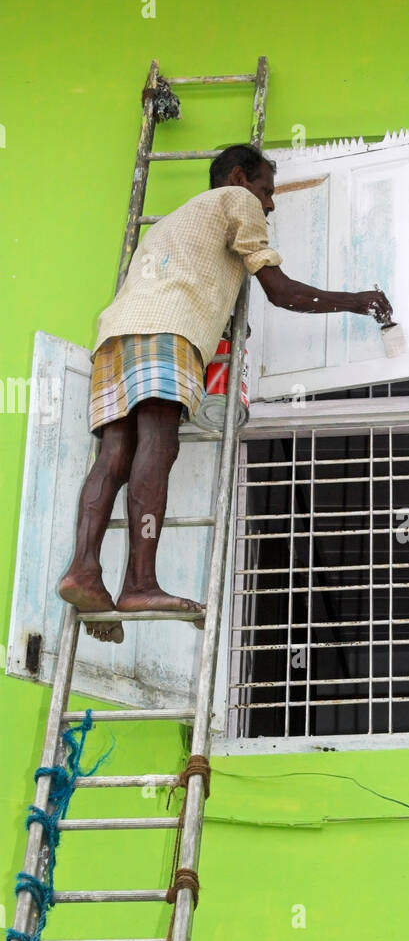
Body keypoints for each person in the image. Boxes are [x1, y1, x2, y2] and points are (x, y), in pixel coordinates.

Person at [58, 143, 391, 643]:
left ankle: (83, 570)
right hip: (168, 332)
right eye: (266, 190)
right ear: (239, 177)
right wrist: (357, 301)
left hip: (116, 335)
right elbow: (281, 292)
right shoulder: (238, 202)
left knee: (115, 454)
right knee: (160, 444)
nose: (270, 204)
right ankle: (140, 584)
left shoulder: (174, 221)